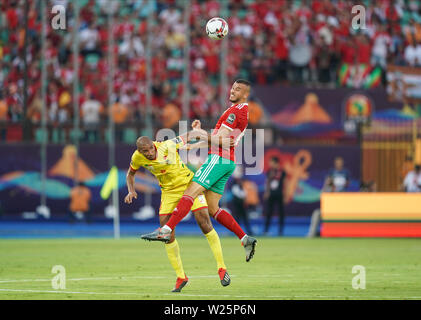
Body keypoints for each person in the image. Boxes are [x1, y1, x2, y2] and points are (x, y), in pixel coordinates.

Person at [141, 79, 257, 263]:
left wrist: (197, 134)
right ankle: (245, 239)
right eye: (233, 87)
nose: (233, 90)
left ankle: (166, 230)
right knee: (213, 208)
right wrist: (196, 141)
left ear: (245, 94)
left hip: (219, 159)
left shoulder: (235, 112)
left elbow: (221, 141)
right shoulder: (239, 111)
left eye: (239, 89)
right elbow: (220, 140)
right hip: (227, 160)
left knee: (190, 191)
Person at [125, 134, 231, 292]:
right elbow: (130, 174)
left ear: (153, 145)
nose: (148, 153)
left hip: (189, 186)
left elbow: (188, 136)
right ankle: (181, 276)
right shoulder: (137, 157)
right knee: (166, 235)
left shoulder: (167, 145)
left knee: (204, 222)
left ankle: (222, 268)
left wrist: (202, 134)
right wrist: (131, 190)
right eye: (143, 151)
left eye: (149, 149)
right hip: (168, 192)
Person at [263, 156, 287, 236]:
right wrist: (267, 192)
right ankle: (266, 230)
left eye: (271, 162)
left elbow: (285, 183)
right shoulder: (270, 171)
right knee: (269, 212)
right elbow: (267, 182)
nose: (270, 164)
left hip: (279, 194)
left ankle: (280, 231)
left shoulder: (282, 172)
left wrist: (285, 195)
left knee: (281, 213)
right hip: (271, 194)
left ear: (275, 163)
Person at [229, 167, 253, 236]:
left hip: (242, 202)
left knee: (245, 217)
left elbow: (245, 190)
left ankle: (249, 231)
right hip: (237, 202)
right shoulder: (234, 182)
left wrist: (245, 198)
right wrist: (243, 197)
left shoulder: (243, 180)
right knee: (237, 218)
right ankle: (236, 231)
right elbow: (235, 192)